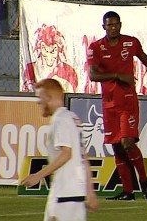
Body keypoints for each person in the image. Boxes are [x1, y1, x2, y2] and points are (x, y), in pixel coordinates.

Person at [87, 11, 147, 201]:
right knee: (116, 147)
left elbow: (146, 60)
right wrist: (117, 76)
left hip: (127, 101)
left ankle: (145, 184)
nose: (113, 28)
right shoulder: (96, 47)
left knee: (127, 143)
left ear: (120, 25)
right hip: (108, 103)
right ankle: (128, 191)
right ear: (103, 27)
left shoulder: (131, 43)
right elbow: (93, 75)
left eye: (116, 24)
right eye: (109, 25)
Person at [21, 78, 98, 220]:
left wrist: (38, 175)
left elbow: (66, 154)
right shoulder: (73, 118)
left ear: (49, 97)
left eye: (40, 98)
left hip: (65, 193)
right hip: (73, 192)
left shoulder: (61, 120)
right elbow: (83, 157)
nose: (38, 102)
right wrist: (90, 191)